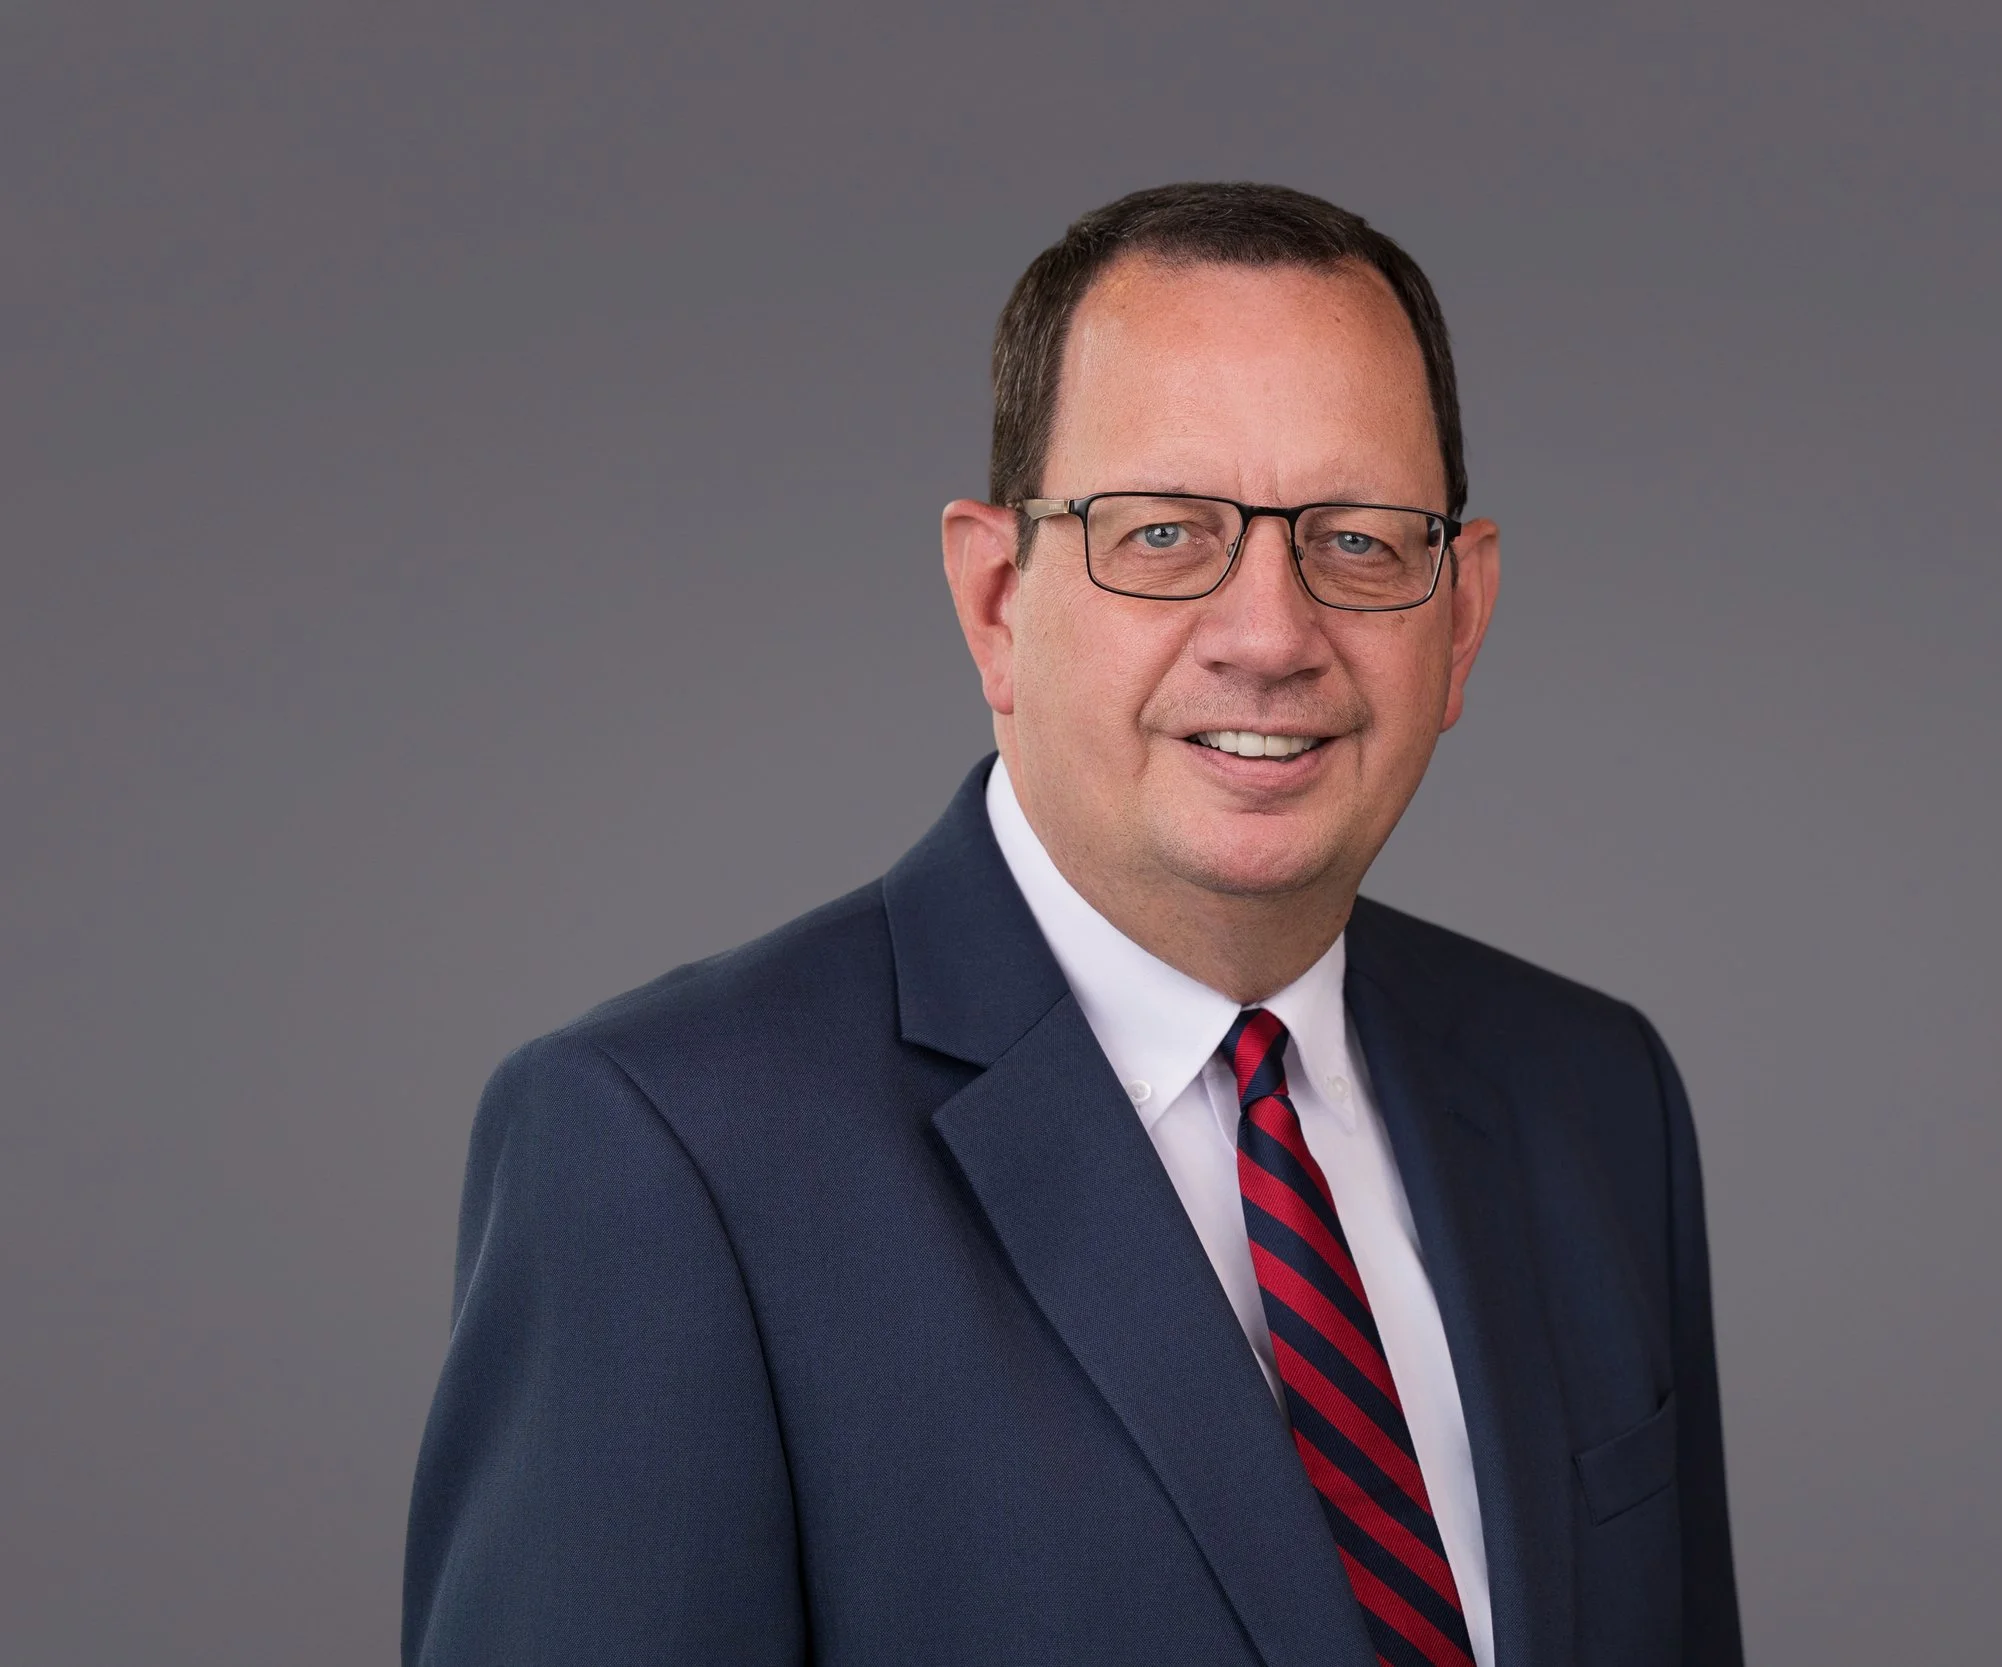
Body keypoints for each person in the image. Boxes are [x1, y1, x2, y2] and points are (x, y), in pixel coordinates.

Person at [403, 181, 1742, 1667]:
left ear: (1462, 616)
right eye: (1165, 532)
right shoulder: (665, 1156)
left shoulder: (1596, 1093)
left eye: (1357, 541)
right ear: (995, 600)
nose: (1271, 633)